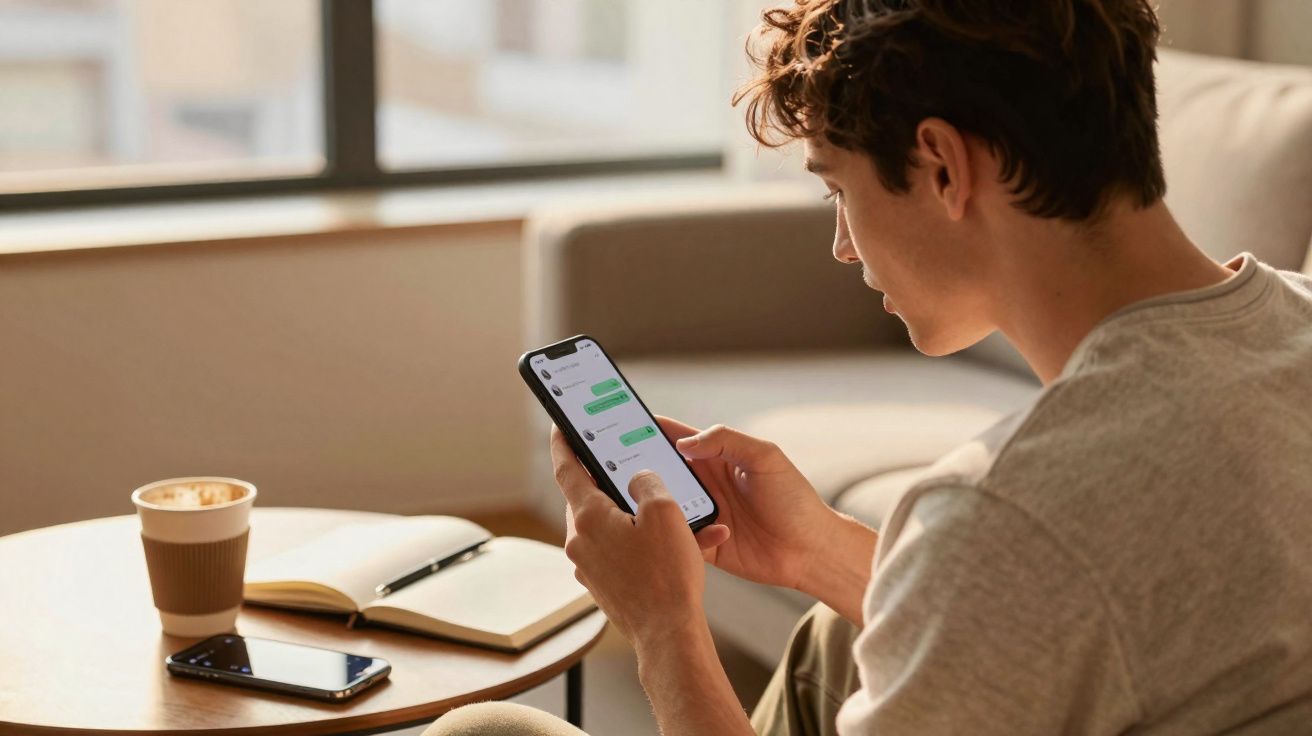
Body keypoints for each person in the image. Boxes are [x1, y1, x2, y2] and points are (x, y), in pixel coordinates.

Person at [427, 0, 1312, 733]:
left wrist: (663, 627)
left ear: (941, 165)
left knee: (483, 730)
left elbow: (1020, 566)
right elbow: (1054, 615)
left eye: (837, 189)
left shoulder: (1004, 513)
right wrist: (817, 552)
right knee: (833, 636)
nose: (844, 247)